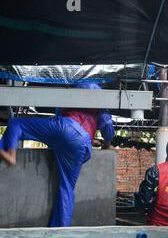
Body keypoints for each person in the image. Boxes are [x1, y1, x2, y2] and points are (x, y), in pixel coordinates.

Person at [0, 83, 115, 227]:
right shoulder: (102, 101)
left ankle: (9, 153)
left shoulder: (72, 91)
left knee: (16, 124)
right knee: (66, 189)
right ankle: (59, 231)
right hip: (82, 142)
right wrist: (106, 144)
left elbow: (60, 116)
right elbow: (107, 124)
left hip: (64, 127)